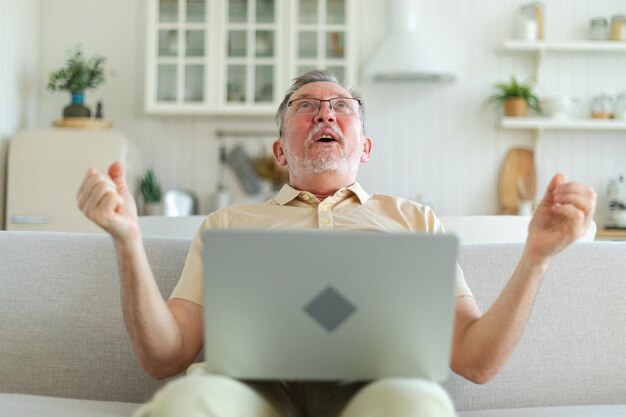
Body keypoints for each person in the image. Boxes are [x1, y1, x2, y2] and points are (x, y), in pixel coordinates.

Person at [77, 70, 597, 417]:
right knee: (183, 403)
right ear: (281, 150)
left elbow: (477, 362)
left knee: (418, 406)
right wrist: (127, 241)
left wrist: (535, 258)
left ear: (364, 146)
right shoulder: (226, 222)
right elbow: (165, 356)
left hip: (375, 385)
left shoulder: (414, 220)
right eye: (306, 106)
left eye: (340, 106)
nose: (325, 114)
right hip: (246, 388)